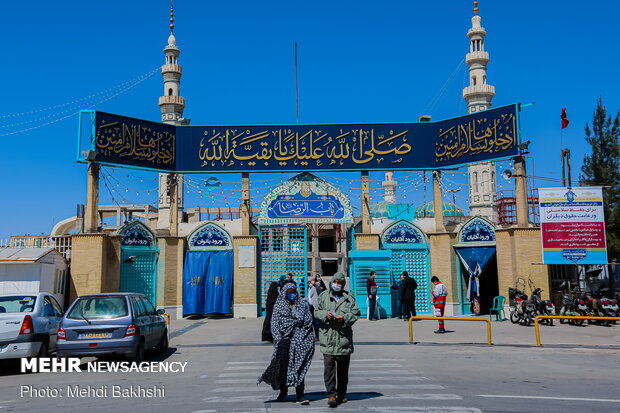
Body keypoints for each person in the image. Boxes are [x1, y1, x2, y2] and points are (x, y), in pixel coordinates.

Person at [258, 282, 315, 405]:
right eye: (289, 293)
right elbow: (274, 324)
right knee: (282, 368)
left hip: (299, 343)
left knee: (299, 367)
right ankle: (283, 392)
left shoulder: (301, 305)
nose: (292, 294)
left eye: (294, 292)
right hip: (283, 342)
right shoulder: (279, 306)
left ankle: (300, 395)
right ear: (284, 293)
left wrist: (300, 335)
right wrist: (278, 339)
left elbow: (308, 321)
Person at [314, 272, 360, 408]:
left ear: (343, 284)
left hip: (343, 339)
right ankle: (331, 395)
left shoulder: (349, 298)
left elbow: (356, 313)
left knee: (343, 370)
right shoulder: (323, 296)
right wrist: (325, 315)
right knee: (329, 369)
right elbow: (316, 311)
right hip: (328, 338)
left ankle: (342, 394)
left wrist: (344, 318)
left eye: (340, 283)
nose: (337, 285)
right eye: (335, 282)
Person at [262, 278, 281, 342]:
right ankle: (271, 337)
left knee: (268, 323)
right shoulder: (274, 294)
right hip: (273, 312)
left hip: (269, 312)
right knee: (272, 324)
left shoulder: (270, 293)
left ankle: (268, 337)